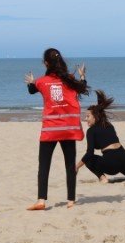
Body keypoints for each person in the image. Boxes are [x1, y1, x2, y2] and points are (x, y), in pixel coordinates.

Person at [24, 48, 89, 210]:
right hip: (68, 129)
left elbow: (32, 90)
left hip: (50, 130)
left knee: (44, 165)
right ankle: (71, 201)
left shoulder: (41, 82)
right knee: (70, 165)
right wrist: (82, 75)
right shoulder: (70, 80)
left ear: (46, 63)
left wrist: (31, 82)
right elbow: (82, 87)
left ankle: (41, 200)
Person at [76, 90, 125, 183]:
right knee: (122, 167)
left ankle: (102, 178)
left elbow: (89, 153)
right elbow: (103, 142)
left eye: (88, 116)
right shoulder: (108, 125)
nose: (85, 119)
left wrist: (77, 167)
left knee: (88, 159)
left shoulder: (91, 131)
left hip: (112, 164)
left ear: (95, 116)